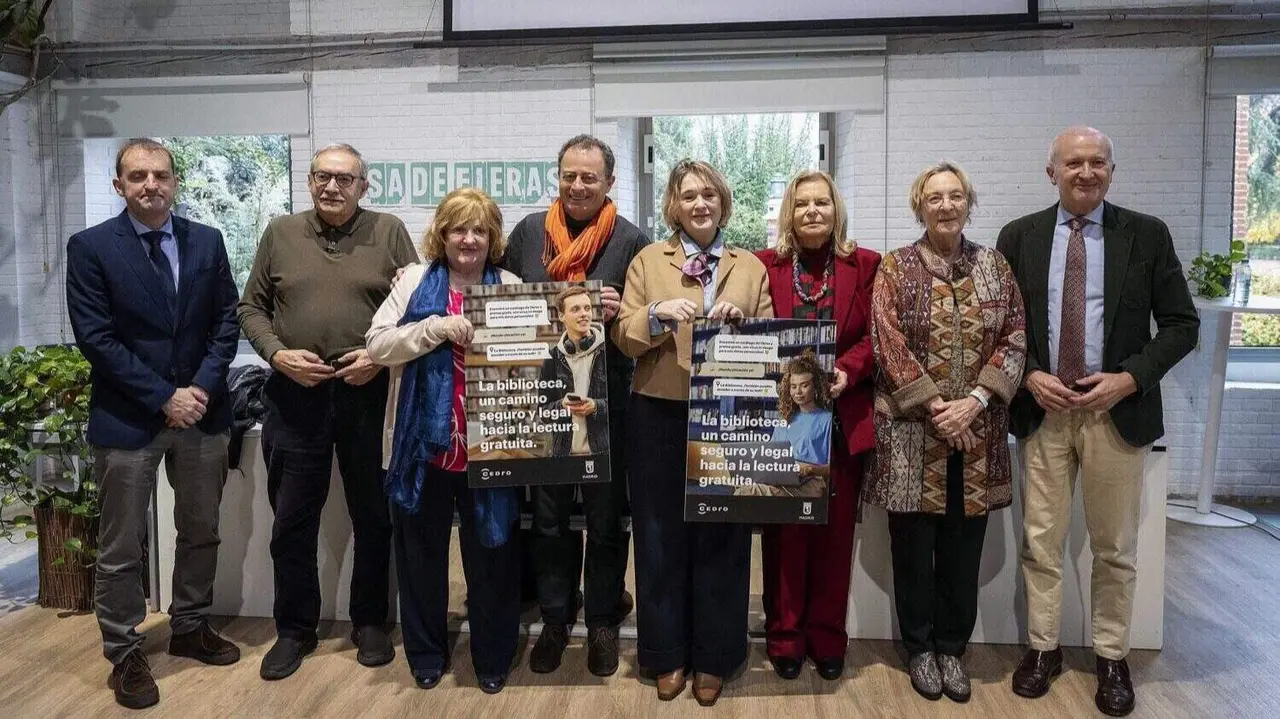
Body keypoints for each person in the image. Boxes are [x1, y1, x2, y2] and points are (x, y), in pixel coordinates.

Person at [998, 127, 1199, 717]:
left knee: (1115, 547)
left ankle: (1112, 656)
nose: (1086, 172)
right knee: (1041, 543)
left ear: (1112, 170)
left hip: (1118, 413)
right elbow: (1000, 326)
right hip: (1044, 412)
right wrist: (1029, 375)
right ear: (1052, 172)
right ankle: (1044, 648)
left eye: (1097, 162)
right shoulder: (1019, 236)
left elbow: (1182, 325)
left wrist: (1129, 379)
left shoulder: (1147, 234)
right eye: (1073, 163)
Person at [65, 138, 241, 709]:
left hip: (202, 414)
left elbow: (226, 322)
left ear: (175, 181)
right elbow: (97, 339)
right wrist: (165, 396)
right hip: (127, 420)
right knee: (122, 544)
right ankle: (124, 651)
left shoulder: (207, 241)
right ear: (119, 185)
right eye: (138, 176)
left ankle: (189, 624)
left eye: (160, 175)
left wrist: (201, 389)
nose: (151, 185)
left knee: (201, 529)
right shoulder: (91, 248)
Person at [238, 143, 419, 680]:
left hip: (368, 393)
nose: (331, 187)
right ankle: (295, 629)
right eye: (322, 176)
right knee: (292, 521)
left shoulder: (389, 231)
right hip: (295, 395)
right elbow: (251, 307)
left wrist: (379, 357)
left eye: (344, 178)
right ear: (310, 180)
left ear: (364, 185)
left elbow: (417, 305)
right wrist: (277, 354)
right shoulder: (280, 233)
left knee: (373, 516)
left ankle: (370, 621)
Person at [614, 158, 774, 706]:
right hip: (658, 413)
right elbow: (624, 336)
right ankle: (666, 653)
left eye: (709, 194)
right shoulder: (647, 261)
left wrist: (745, 326)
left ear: (723, 202)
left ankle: (716, 655)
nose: (699, 203)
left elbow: (773, 342)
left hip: (728, 417)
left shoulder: (750, 266)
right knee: (658, 535)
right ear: (674, 206)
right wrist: (657, 314)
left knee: (723, 536)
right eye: (688, 196)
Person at [866, 161, 1027, 704]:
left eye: (955, 196)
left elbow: (1015, 337)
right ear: (920, 206)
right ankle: (919, 649)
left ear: (968, 203)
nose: (946, 205)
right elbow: (886, 340)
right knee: (912, 549)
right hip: (912, 437)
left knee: (963, 548)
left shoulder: (995, 267)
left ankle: (952, 648)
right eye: (934, 197)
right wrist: (939, 407)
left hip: (977, 438)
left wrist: (974, 402)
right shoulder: (896, 268)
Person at [502, 135, 649, 677]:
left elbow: (646, 320)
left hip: (609, 408)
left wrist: (624, 307)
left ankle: (603, 620)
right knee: (548, 521)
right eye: (569, 175)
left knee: (608, 521)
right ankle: (556, 618)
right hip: (544, 403)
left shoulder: (632, 240)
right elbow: (498, 298)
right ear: (558, 176)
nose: (578, 185)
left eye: (590, 177)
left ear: (609, 181)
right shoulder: (527, 234)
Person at [366, 187, 524, 694]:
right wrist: (434, 328)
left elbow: (534, 362)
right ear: (442, 234)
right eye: (459, 229)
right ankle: (427, 654)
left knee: (492, 559)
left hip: (490, 448)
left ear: (492, 238)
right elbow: (377, 344)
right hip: (423, 450)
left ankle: (493, 657)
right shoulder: (415, 282)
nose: (469, 239)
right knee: (421, 560)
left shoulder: (510, 286)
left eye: (479, 230)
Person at [753, 170, 881, 680]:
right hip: (784, 421)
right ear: (789, 211)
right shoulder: (764, 265)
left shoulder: (865, 264)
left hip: (841, 418)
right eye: (802, 203)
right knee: (784, 533)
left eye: (821, 203)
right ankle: (784, 636)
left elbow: (877, 335)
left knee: (834, 533)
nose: (812, 211)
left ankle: (827, 637)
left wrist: (848, 369)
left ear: (835, 209)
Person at [736, 350, 834, 499]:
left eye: (804, 385)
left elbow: (833, 468)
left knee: (749, 492)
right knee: (742, 484)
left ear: (815, 387)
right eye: (793, 386)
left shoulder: (827, 420)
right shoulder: (785, 418)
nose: (798, 392)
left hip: (810, 481)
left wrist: (809, 469)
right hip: (780, 476)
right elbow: (770, 454)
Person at [539, 286, 609, 458]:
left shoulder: (607, 351)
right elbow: (543, 412)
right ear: (561, 316)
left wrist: (596, 406)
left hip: (602, 454)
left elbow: (624, 402)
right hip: (564, 456)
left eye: (587, 308)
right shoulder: (551, 358)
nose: (584, 314)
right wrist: (562, 406)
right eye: (575, 309)